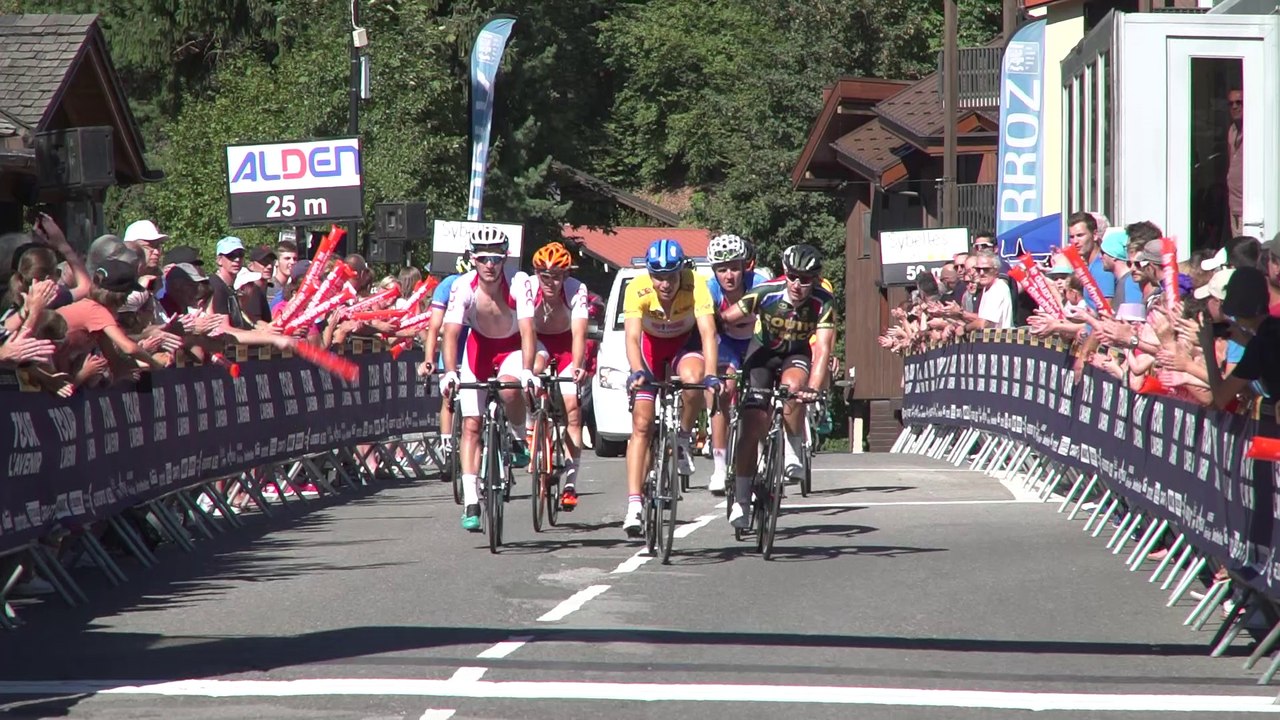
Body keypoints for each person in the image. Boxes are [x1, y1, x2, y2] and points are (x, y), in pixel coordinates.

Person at [718, 244, 837, 529]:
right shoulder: (766, 292)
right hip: (762, 355)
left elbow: (822, 349)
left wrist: (814, 388)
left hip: (796, 354)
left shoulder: (823, 301)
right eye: (792, 276)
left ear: (815, 279)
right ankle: (742, 500)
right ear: (785, 272)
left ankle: (793, 448)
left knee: (794, 387)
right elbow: (726, 318)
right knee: (751, 424)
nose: (797, 284)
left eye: (805, 279)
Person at [439, 228, 539, 532]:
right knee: (472, 424)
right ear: (473, 259)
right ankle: (471, 500)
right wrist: (450, 371)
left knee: (510, 389)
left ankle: (518, 436)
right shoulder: (463, 286)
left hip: (511, 347)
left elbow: (528, 330)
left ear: (505, 258)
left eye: (496, 258)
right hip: (479, 349)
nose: (490, 265)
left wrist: (527, 370)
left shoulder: (519, 282)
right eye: (483, 259)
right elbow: (451, 332)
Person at [621, 238, 719, 538]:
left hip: (683, 345)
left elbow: (708, 333)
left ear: (681, 272)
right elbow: (632, 338)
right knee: (642, 424)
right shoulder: (636, 288)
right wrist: (637, 370)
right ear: (649, 274)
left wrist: (711, 375)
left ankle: (684, 437)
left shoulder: (696, 283)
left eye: (671, 276)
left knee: (693, 378)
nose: (665, 284)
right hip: (650, 350)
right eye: (658, 276)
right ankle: (634, 504)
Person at [702, 234, 767, 495]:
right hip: (727, 344)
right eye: (722, 270)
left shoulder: (759, 284)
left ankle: (764, 452)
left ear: (745, 267)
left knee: (762, 396)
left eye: (734, 268)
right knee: (722, 392)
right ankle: (719, 467)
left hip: (755, 341)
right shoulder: (710, 289)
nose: (729, 276)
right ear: (714, 271)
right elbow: (707, 331)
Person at [528, 242, 590, 511]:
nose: (550, 282)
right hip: (538, 342)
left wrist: (578, 365)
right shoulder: (529, 287)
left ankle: (570, 484)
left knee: (572, 409)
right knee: (534, 370)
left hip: (566, 346)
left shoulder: (576, 289)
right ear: (537, 274)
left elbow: (579, 333)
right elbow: (523, 329)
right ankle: (532, 422)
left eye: (556, 276)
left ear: (565, 275)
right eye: (545, 276)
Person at [420, 254, 473, 461]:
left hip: (475, 339)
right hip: (454, 341)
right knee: (448, 396)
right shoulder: (446, 286)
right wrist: (429, 359)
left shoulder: (484, 284)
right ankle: (447, 446)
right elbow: (433, 327)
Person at [1226, 88, 1243, 238]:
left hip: (1249, 205)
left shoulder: (1255, 131)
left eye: (1239, 102)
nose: (1235, 107)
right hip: (1234, 204)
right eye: (1231, 103)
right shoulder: (1232, 130)